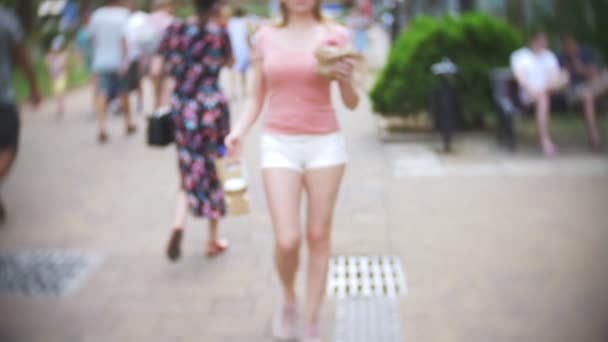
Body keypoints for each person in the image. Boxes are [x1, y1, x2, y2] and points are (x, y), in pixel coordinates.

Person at [224, 0, 358, 340]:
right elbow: (257, 96)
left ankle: (312, 320)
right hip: (278, 143)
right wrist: (238, 130)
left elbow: (352, 102)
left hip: (325, 144)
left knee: (318, 237)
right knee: (287, 240)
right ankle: (288, 299)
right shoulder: (265, 36)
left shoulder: (335, 34)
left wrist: (346, 80)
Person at [158, 0, 233, 261]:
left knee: (189, 166)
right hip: (213, 111)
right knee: (216, 167)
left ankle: (178, 223)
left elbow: (160, 68)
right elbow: (230, 62)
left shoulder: (174, 30)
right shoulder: (218, 33)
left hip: (183, 111)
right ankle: (212, 240)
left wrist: (159, 103)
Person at [0, 6, 41, 223]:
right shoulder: (5, 19)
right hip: (2, 99)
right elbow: (21, 56)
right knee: (8, 148)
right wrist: (33, 86)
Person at [511, 32, 568, 156]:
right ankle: (545, 141)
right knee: (543, 99)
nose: (545, 44)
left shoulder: (549, 56)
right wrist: (534, 91)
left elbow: (555, 78)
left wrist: (556, 83)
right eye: (542, 41)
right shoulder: (519, 56)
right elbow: (521, 80)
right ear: (533, 41)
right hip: (528, 96)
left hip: (549, 93)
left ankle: (545, 140)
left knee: (548, 93)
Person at [89, 0, 136, 144]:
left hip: (101, 61)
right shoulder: (123, 14)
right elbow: (124, 40)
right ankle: (128, 123)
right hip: (118, 62)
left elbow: (92, 39)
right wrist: (124, 61)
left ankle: (102, 128)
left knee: (102, 93)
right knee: (123, 92)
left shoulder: (97, 15)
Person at [559, 34, 606, 149]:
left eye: (570, 44)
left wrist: (581, 69)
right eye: (566, 46)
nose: (569, 48)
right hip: (575, 92)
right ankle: (594, 138)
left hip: (594, 87)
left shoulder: (587, 53)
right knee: (588, 96)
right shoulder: (562, 58)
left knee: (604, 78)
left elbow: (594, 75)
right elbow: (563, 82)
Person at [149, 0, 176, 111]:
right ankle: (165, 108)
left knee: (156, 87)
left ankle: (156, 108)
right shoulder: (171, 20)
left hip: (153, 56)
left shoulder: (150, 18)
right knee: (168, 84)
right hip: (167, 56)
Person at [227, 6, 251, 99]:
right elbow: (246, 37)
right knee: (243, 72)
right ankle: (244, 91)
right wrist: (251, 48)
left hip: (232, 49)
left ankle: (233, 92)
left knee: (232, 72)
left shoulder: (230, 22)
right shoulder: (244, 23)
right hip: (243, 50)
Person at [45, 36, 68, 119]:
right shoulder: (49, 57)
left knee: (60, 90)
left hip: (61, 76)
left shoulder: (63, 56)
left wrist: (65, 74)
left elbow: (65, 67)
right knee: (56, 91)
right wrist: (49, 77)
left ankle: (60, 106)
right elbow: (47, 67)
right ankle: (60, 103)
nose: (56, 50)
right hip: (53, 76)